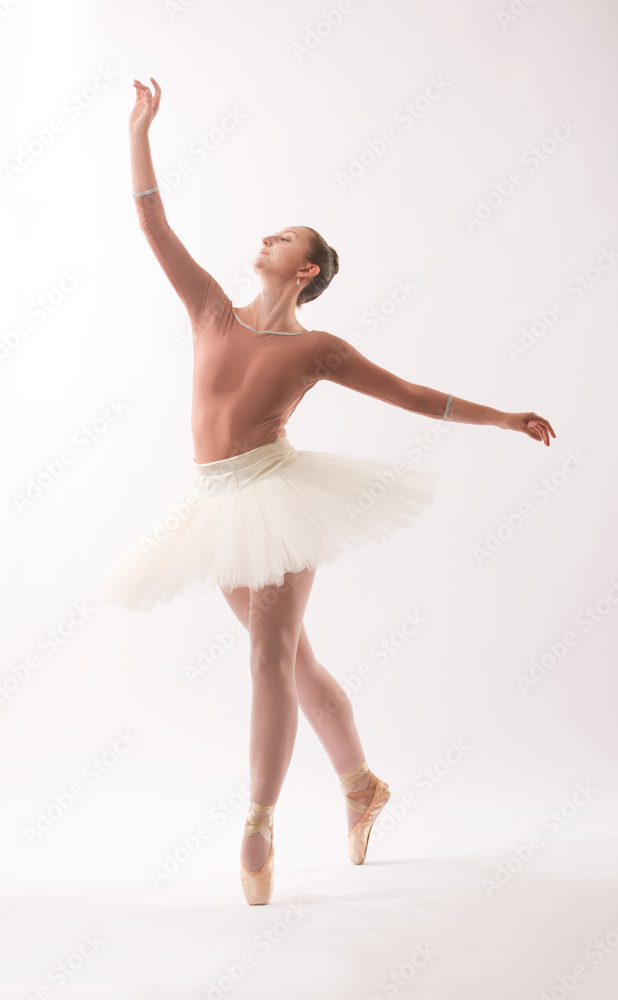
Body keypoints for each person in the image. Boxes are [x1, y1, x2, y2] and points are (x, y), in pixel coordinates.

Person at [96, 77, 556, 905]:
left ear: (304, 269)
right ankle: (360, 785)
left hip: (276, 498)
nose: (265, 237)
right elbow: (151, 221)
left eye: (283, 238)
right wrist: (140, 128)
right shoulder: (209, 310)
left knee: (269, 656)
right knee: (298, 662)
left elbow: (415, 397)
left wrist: (504, 418)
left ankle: (258, 821)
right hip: (212, 505)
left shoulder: (320, 351)